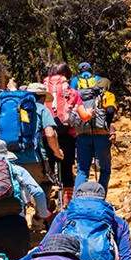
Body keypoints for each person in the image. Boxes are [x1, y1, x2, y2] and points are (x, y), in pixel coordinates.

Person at [18, 83, 66, 210]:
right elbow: (50, 134)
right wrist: (57, 151)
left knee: (18, 189)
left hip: (15, 159)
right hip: (35, 158)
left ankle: (20, 220)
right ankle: (39, 218)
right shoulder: (41, 109)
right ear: (43, 97)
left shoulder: (16, 108)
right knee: (44, 183)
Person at [41, 64, 83, 204]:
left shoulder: (41, 94)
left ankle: (46, 204)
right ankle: (67, 202)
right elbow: (81, 115)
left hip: (46, 134)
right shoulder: (72, 92)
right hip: (67, 134)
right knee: (67, 168)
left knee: (47, 169)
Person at [74, 77, 117, 187]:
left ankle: (78, 199)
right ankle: (100, 198)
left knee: (82, 170)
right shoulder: (108, 95)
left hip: (82, 134)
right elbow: (111, 110)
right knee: (105, 169)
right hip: (101, 135)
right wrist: (107, 124)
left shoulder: (84, 96)